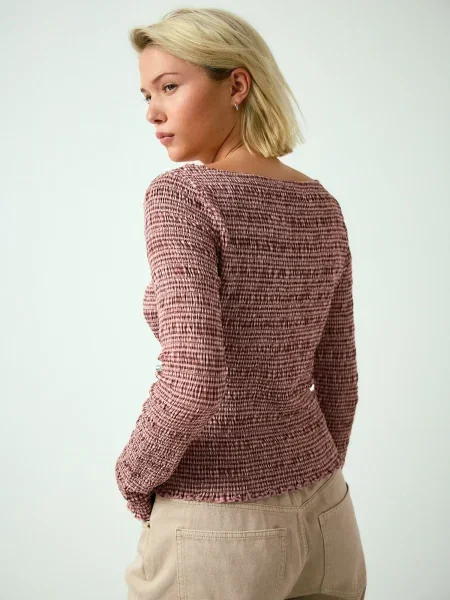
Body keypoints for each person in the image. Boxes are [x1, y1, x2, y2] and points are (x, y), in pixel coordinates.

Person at [115, 7, 367, 600]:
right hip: (328, 518)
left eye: (169, 87)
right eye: (147, 95)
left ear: (236, 84)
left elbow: (193, 375)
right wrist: (309, 474)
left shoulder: (182, 196)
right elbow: (339, 377)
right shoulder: (321, 204)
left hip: (219, 526)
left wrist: (134, 475)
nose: (152, 112)